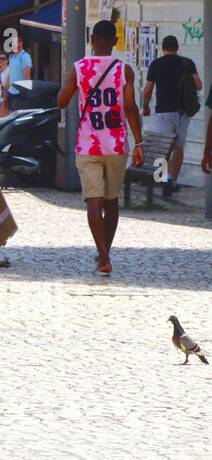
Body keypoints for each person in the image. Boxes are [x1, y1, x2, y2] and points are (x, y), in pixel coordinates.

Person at [56, 19, 144, 276]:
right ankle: (105, 252)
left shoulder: (79, 68)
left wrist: (71, 82)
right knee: (112, 201)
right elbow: (130, 107)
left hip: (88, 145)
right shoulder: (124, 70)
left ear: (92, 40)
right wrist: (138, 142)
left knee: (93, 202)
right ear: (115, 42)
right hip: (116, 144)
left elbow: (61, 101)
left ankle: (103, 256)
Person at [142, 35, 203, 196]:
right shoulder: (187, 63)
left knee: (163, 147)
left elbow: (148, 90)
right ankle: (173, 180)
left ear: (163, 48)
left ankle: (163, 180)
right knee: (179, 146)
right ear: (177, 48)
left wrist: (145, 106)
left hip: (164, 112)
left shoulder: (156, 64)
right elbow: (198, 85)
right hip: (184, 113)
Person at [0, 51, 12, 117]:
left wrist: (5, 98)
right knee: (0, 120)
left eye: (3, 58)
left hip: (6, 99)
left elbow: (8, 85)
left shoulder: (10, 70)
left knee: (5, 120)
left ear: (7, 60)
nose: (1, 60)